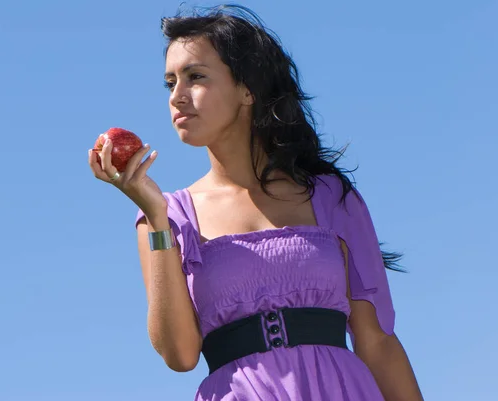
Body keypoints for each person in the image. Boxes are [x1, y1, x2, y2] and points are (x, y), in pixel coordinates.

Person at [88, 4, 423, 401]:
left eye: (195, 77)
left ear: (247, 89)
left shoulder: (330, 196)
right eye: (169, 83)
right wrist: (159, 220)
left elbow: (378, 344)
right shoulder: (167, 215)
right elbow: (179, 355)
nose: (177, 96)